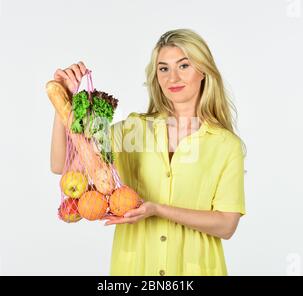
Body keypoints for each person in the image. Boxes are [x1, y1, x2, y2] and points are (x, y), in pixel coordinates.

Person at [50, 28, 247, 276]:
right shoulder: (132, 130)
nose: (172, 77)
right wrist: (62, 103)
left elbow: (226, 225)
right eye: (163, 68)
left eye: (184, 66)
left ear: (204, 71)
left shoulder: (226, 145)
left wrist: (158, 210)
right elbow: (63, 167)